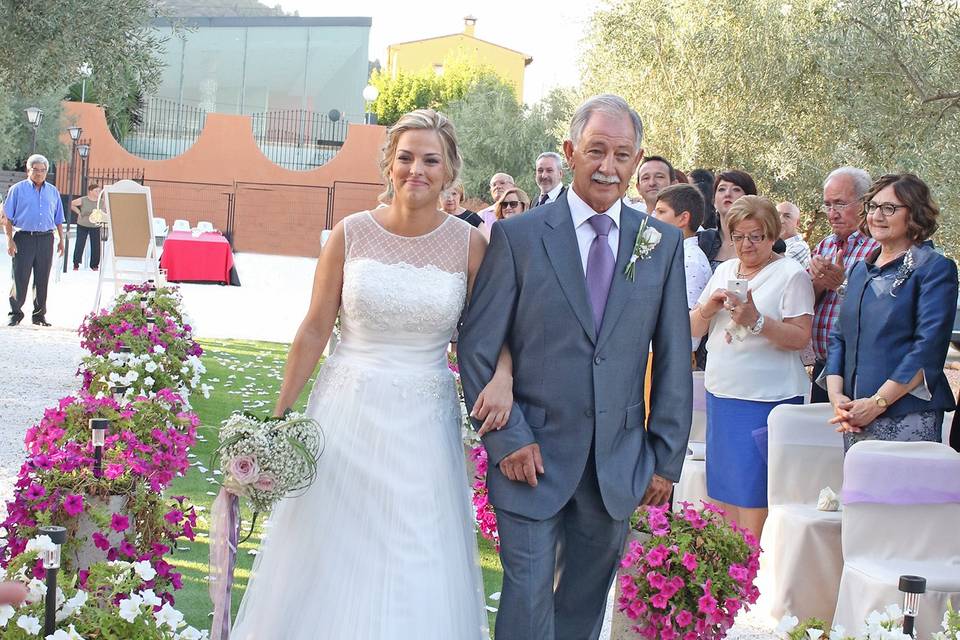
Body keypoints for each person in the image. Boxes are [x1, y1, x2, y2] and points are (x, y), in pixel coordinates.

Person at [232, 109, 509, 639]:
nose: (416, 170)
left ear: (449, 170)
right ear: (388, 163)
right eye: (405, 157)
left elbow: (497, 329)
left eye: (431, 159)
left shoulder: (471, 245)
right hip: (345, 412)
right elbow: (314, 328)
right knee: (330, 544)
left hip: (422, 422)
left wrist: (504, 376)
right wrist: (277, 417)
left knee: (417, 546)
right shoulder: (350, 233)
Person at [459, 94, 692, 640]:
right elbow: (478, 345)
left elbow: (675, 357)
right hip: (529, 459)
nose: (607, 166)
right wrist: (508, 437)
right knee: (527, 601)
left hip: (616, 463)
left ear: (637, 163)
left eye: (621, 154)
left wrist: (665, 459)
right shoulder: (518, 236)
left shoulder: (661, 244)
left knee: (584, 610)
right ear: (570, 152)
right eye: (595, 151)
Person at [689, 195, 814, 538]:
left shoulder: (791, 275)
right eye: (739, 236)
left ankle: (752, 575)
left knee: (754, 494)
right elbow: (692, 329)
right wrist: (707, 310)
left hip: (766, 401)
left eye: (756, 236)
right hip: (723, 394)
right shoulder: (725, 271)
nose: (746, 244)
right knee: (725, 491)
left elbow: (801, 338)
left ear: (772, 234)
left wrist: (758, 321)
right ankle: (731, 573)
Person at [824, 174, 958, 451]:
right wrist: (837, 397)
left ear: (915, 214)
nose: (877, 216)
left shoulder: (934, 269)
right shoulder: (860, 270)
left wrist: (877, 403)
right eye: (873, 207)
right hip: (853, 414)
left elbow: (927, 349)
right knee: (859, 494)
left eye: (889, 208)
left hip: (907, 414)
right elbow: (839, 337)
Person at [808, 167, 878, 403]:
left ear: (865, 203)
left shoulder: (879, 248)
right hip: (823, 368)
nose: (832, 213)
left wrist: (842, 283)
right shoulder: (825, 246)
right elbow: (808, 304)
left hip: (861, 371)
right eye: (827, 205)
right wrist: (817, 284)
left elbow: (883, 307)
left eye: (839, 203)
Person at [3, 154, 65, 327]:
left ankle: (39, 316)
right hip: (23, 238)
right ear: (28, 171)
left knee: (42, 278)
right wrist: (10, 240)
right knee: (20, 277)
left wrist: (61, 240)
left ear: (46, 172)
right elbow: (7, 218)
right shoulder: (17, 189)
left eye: (42, 170)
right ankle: (15, 314)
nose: (39, 173)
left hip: (46, 239)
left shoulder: (53, 191)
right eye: (35, 170)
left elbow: (58, 218)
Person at [653, 183, 712, 350]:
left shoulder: (691, 260)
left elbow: (682, 321)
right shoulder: (673, 254)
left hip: (673, 352)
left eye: (661, 211)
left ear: (683, 218)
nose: (653, 217)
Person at [697, 169, 758, 271]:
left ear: (749, 198)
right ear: (714, 200)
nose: (727, 194)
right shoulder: (702, 240)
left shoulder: (763, 241)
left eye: (736, 189)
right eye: (721, 189)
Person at [70, 182, 102, 271]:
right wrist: (78, 212)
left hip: (95, 225)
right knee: (80, 244)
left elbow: (106, 210)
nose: (98, 192)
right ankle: (76, 263)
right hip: (82, 225)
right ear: (90, 191)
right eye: (96, 191)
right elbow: (71, 204)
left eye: (99, 191)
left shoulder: (101, 201)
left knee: (96, 245)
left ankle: (94, 265)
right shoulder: (83, 200)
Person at [777, 201, 811, 268]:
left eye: (787, 216)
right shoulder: (773, 244)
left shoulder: (799, 247)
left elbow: (776, 271)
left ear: (797, 223)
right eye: (777, 215)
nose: (780, 220)